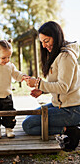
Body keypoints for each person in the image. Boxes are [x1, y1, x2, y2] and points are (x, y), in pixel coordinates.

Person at [22, 21, 80, 151]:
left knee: (28, 125)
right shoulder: (57, 55)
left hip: (71, 110)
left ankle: (72, 129)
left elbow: (63, 87)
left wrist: (38, 83)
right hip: (59, 105)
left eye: (46, 41)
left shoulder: (66, 56)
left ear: (56, 36)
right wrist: (41, 90)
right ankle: (70, 127)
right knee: (29, 116)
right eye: (41, 42)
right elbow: (57, 84)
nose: (44, 45)